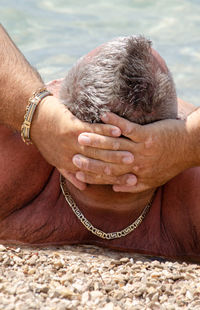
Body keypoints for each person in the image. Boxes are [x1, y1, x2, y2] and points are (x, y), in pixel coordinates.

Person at [1, 34, 200, 262]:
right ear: (176, 119)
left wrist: (36, 114)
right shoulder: (192, 202)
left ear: (56, 90)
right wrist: (188, 140)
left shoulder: (10, 159)